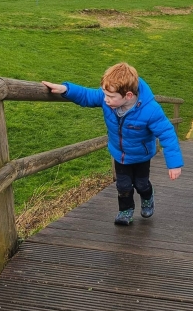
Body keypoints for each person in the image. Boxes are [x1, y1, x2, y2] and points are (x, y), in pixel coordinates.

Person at [42, 63, 182, 226]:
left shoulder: (150, 110)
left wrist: (174, 164)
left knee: (142, 184)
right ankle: (125, 211)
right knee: (122, 185)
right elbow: (86, 95)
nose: (106, 100)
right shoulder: (108, 98)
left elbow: (167, 134)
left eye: (110, 96)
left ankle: (147, 198)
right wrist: (65, 90)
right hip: (119, 154)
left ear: (128, 95)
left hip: (141, 156)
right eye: (104, 94)